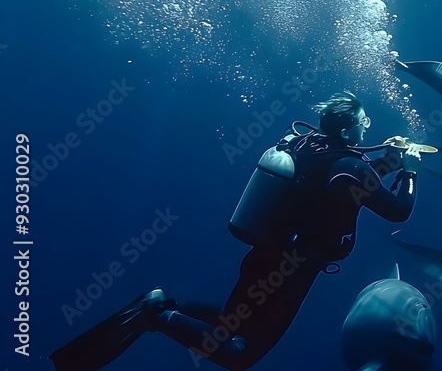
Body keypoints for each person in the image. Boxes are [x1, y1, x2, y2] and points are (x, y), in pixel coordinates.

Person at [50, 91, 422, 371]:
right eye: (364, 121)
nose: (368, 127)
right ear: (348, 129)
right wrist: (409, 171)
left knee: (232, 323)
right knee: (242, 353)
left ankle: (165, 305)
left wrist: (386, 161)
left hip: (264, 254)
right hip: (292, 271)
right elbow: (398, 211)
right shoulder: (349, 167)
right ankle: (156, 315)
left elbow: (346, 181)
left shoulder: (311, 147)